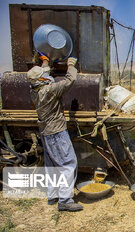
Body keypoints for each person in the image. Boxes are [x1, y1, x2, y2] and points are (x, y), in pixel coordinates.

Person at [27, 53, 83, 212]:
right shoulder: (50, 90)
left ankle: (52, 195)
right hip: (57, 132)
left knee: (51, 164)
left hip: (45, 132)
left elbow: (43, 75)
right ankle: (65, 200)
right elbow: (70, 81)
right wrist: (71, 65)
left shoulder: (34, 90)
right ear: (41, 79)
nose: (47, 74)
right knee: (68, 163)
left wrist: (45, 61)